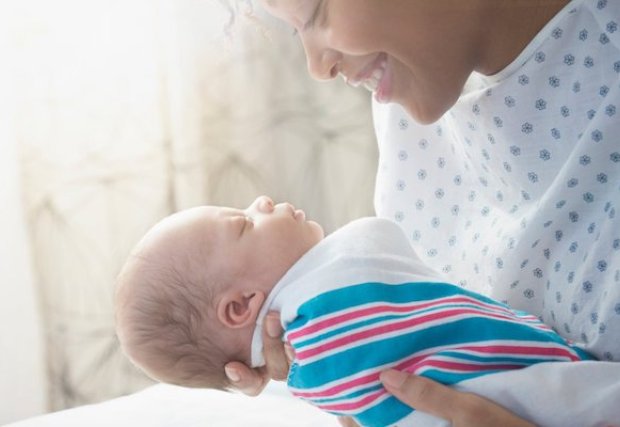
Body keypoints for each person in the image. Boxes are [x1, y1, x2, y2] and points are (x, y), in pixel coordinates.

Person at [225, 0, 620, 425]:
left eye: (317, 13)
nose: (317, 67)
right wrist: (359, 390)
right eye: (295, 31)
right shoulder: (409, 108)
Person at [114, 196, 614, 427]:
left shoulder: (311, 347)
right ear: (240, 305)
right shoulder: (319, 331)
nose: (262, 201)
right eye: (244, 223)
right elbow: (374, 243)